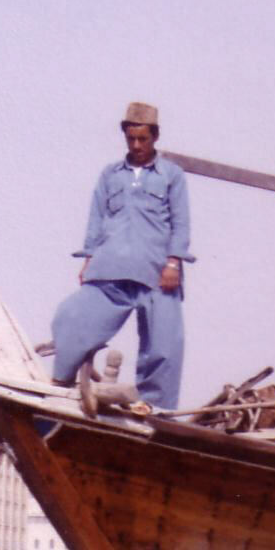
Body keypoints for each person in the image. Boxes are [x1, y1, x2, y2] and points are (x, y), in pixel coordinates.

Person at [50, 102, 193, 408]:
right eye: (131, 139)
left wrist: (173, 262)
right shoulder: (110, 174)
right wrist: (89, 260)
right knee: (72, 317)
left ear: (155, 136)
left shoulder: (172, 175)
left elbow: (180, 222)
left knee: (165, 346)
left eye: (143, 139)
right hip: (110, 267)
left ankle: (154, 407)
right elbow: (96, 218)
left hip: (156, 272)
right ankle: (61, 380)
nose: (137, 145)